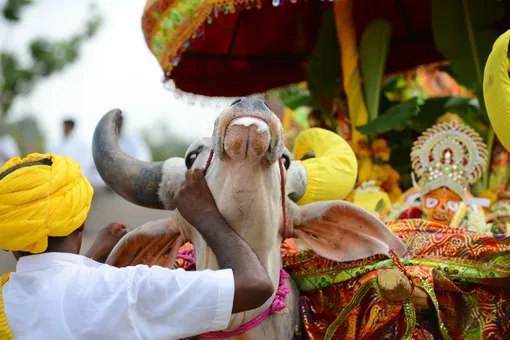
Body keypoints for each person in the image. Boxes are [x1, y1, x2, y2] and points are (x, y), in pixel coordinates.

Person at [0, 153, 273, 339]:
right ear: (81, 222)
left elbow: (58, 302)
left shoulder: (5, 301)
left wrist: (91, 259)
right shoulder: (129, 290)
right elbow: (255, 285)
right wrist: (205, 216)